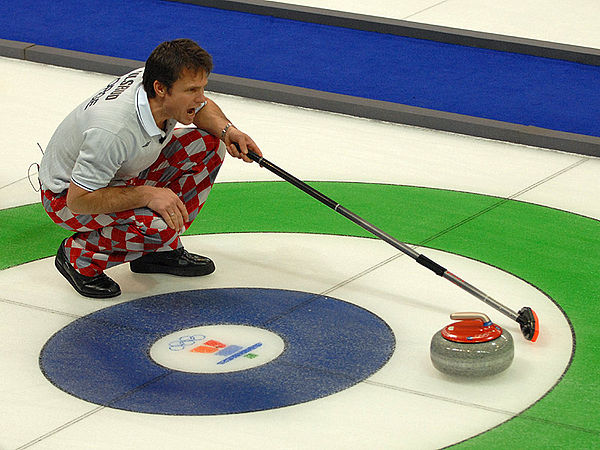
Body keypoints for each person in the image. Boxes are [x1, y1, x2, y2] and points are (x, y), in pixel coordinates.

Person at [38, 38, 262, 299]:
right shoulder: (113, 130)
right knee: (159, 226)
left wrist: (228, 131)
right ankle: (80, 255)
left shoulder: (155, 85)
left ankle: (156, 252)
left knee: (209, 145)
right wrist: (148, 195)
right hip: (66, 198)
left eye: (202, 88)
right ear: (161, 88)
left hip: (122, 173)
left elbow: (200, 109)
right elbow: (79, 200)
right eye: (192, 90)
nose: (200, 98)